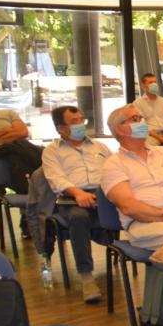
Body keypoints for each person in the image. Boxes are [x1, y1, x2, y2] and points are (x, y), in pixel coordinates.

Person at [41, 105, 110, 303]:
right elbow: (56, 179)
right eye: (74, 122)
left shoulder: (100, 147)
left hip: (102, 195)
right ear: (60, 128)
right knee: (79, 218)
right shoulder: (51, 151)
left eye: (81, 120)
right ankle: (86, 277)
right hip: (71, 197)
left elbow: (114, 170)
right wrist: (77, 192)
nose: (80, 124)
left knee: (132, 207)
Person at [101, 105, 163, 251]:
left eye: (141, 118)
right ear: (119, 129)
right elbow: (128, 206)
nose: (141, 122)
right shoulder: (113, 164)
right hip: (144, 224)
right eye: (134, 119)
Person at [0, 89, 34, 180]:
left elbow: (23, 132)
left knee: (40, 150)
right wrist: (6, 129)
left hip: (19, 146)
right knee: (8, 151)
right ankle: (26, 185)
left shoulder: (8, 114)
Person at [132, 73, 163, 148]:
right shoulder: (137, 103)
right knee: (148, 146)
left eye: (155, 82)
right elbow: (140, 126)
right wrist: (160, 138)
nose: (154, 84)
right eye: (150, 82)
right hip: (151, 135)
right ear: (143, 86)